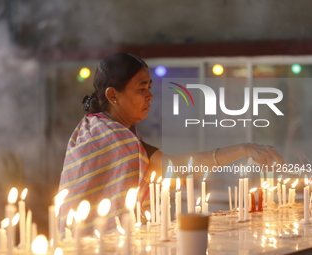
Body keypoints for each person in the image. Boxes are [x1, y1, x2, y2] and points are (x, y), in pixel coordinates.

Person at [58, 53, 284, 236]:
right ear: (113, 95)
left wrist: (243, 149)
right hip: (92, 244)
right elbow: (175, 168)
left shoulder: (114, 130)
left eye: (149, 88)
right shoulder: (108, 136)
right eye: (141, 88)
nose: (150, 96)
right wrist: (242, 149)